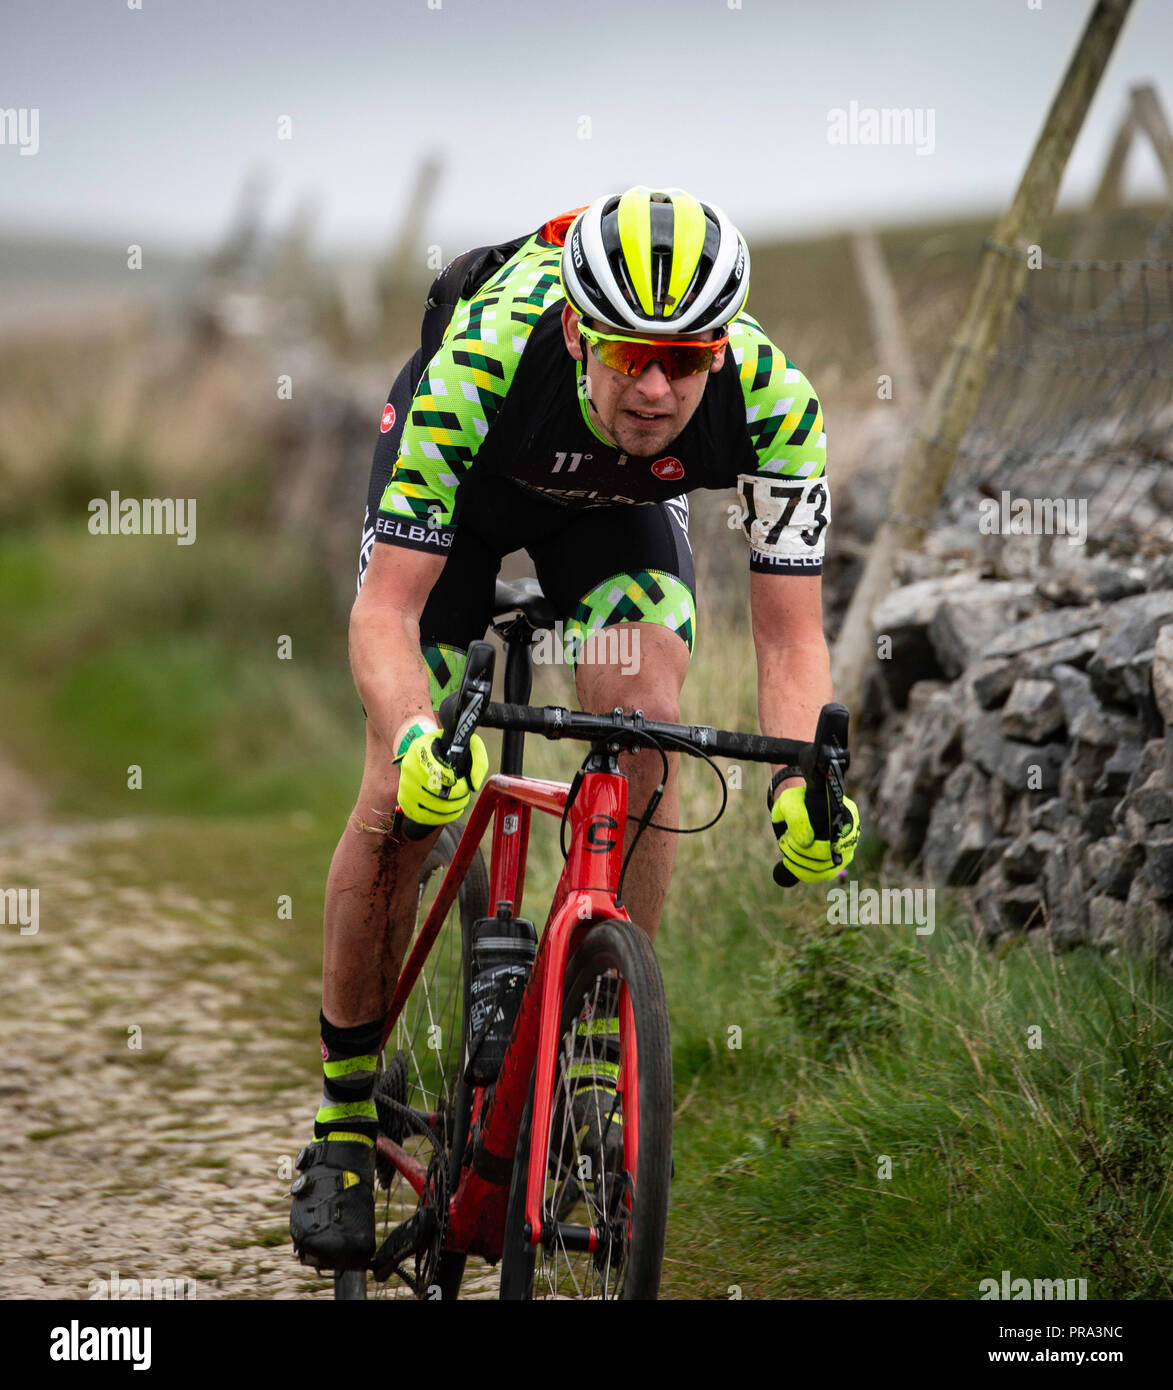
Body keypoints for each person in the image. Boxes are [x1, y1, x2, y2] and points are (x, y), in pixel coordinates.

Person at [289, 186, 861, 1271]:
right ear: (573, 328)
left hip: (611, 524)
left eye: (686, 361)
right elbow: (385, 615)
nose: (656, 387)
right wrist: (416, 734)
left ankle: (596, 1058)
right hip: (461, 518)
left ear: (720, 348)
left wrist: (799, 789)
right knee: (399, 791)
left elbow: (791, 645)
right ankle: (345, 1123)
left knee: (647, 722)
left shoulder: (777, 403)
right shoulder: (489, 357)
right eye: (630, 354)